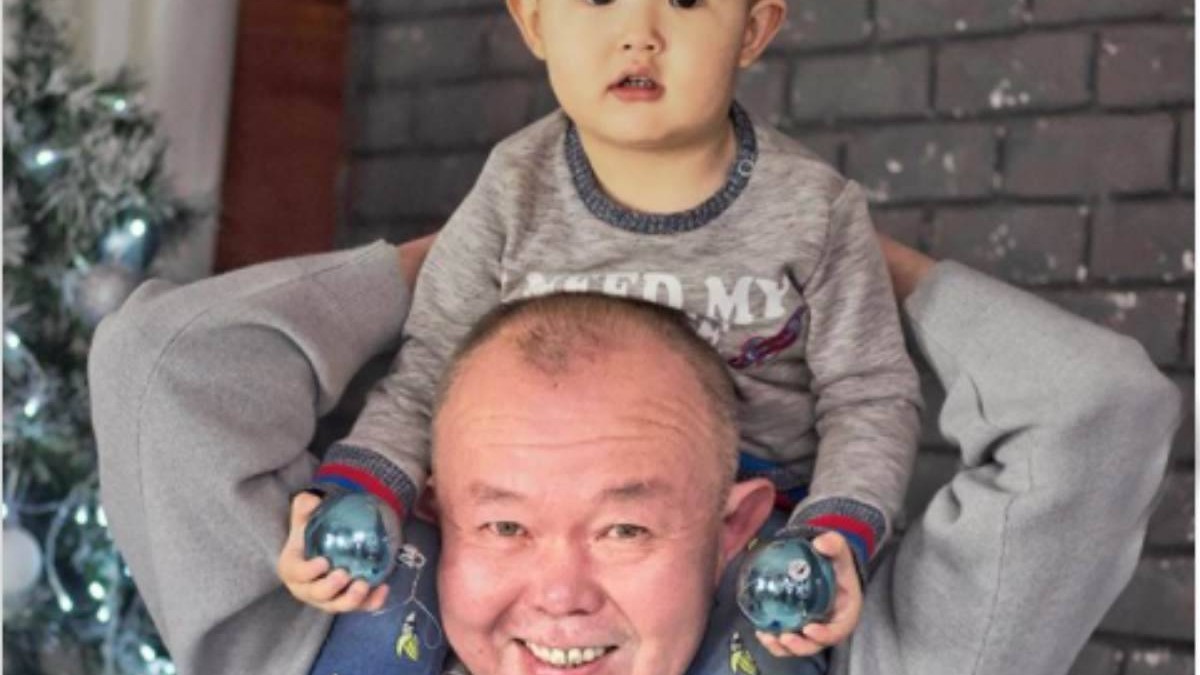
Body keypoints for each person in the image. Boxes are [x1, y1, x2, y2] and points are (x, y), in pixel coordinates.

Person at [89, 235, 1180, 675]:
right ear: (434, 517)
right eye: (503, 524)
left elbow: (1095, 409)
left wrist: (842, 254)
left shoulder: (873, 659)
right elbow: (160, 365)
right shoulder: (304, 639)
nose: (561, 593)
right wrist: (469, 247)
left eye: (624, 527)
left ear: (736, 528)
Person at [282, 0, 921, 661]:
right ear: (534, 22)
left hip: (746, 518)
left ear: (753, 29)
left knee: (768, 643)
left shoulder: (813, 209)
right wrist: (363, 487)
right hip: (521, 509)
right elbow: (428, 372)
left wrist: (838, 527)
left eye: (685, 1)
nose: (639, 35)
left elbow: (869, 394)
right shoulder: (512, 188)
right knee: (375, 608)